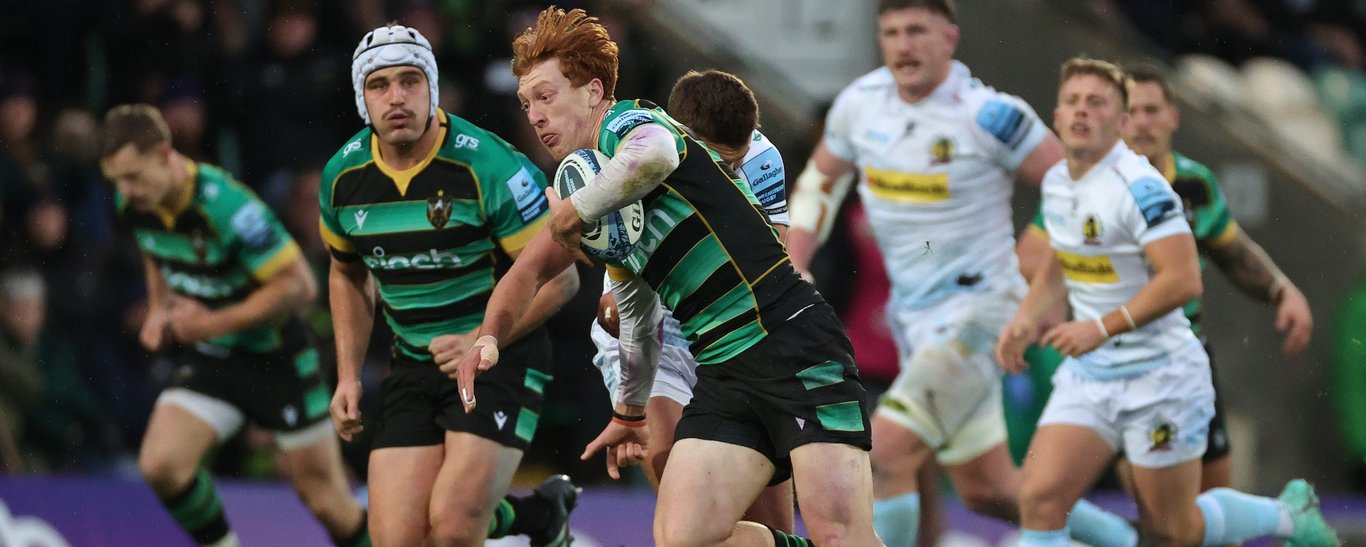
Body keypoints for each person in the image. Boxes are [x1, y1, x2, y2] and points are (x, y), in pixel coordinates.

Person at [452, 7, 881, 546]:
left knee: (843, 535)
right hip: (723, 368)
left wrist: (575, 209)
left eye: (546, 95)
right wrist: (628, 408)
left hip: (791, 341)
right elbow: (634, 313)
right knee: (686, 537)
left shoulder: (630, 122)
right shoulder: (603, 202)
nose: (534, 115)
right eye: (525, 103)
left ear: (593, 91)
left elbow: (653, 154)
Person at [784, 1, 1133, 545]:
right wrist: (796, 260)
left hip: (980, 313)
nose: (904, 45)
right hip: (916, 319)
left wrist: (1050, 288)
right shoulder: (861, 104)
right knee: (988, 489)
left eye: (917, 31)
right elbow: (821, 182)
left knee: (882, 454)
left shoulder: (990, 114)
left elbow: (1078, 188)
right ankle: (1132, 540)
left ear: (950, 38)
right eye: (892, 32)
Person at [995, 56, 1338, 547]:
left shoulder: (1144, 188)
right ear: (1055, 113)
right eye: (1072, 101)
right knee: (1039, 498)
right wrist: (1026, 317)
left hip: (1159, 375)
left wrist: (1100, 327)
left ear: (1121, 119)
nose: (1081, 112)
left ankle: (1286, 516)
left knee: (1175, 531)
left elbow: (1184, 282)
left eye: (1097, 103)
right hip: (1092, 374)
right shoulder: (1058, 182)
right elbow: (1058, 258)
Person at [319, 24, 581, 547]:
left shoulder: (489, 165)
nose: (396, 97)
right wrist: (347, 375)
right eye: (379, 85)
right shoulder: (342, 178)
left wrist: (483, 340)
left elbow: (563, 280)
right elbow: (347, 272)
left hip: (501, 359)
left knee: (455, 527)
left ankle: (527, 519)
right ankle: (539, 517)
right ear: (361, 97)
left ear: (432, 89)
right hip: (416, 364)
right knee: (396, 538)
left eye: (411, 81)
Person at [99, 103, 369, 547]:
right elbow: (152, 243)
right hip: (217, 358)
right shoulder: (135, 199)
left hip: (277, 358)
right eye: (116, 180)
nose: (125, 190)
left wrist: (208, 323)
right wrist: (158, 307)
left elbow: (299, 287)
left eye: (133, 176)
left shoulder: (228, 207)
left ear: (166, 154)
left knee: (327, 505)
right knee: (161, 464)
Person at [590, 69, 795, 531]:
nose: (726, 180)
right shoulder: (634, 151)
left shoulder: (763, 158)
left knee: (772, 526)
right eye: (716, 167)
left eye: (733, 166)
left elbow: (771, 254)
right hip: (660, 340)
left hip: (730, 336)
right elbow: (615, 284)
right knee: (683, 500)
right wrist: (615, 312)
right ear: (679, 137)